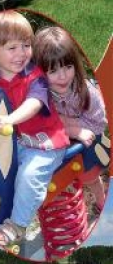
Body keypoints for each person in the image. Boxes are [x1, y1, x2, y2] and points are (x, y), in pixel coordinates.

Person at [0, 10, 70, 246]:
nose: (22, 53)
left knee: (29, 175)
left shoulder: (35, 76)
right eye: (12, 48)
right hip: (20, 142)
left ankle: (18, 225)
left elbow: (34, 104)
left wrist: (10, 119)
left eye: (26, 45)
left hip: (47, 144)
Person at [33, 26, 109, 215]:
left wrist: (71, 126)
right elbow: (38, 123)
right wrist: (67, 129)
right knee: (57, 181)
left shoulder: (86, 92)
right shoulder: (39, 96)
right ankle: (64, 214)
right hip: (59, 145)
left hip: (89, 142)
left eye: (68, 66)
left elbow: (99, 123)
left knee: (91, 178)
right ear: (40, 73)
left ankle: (103, 205)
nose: (63, 76)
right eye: (53, 70)